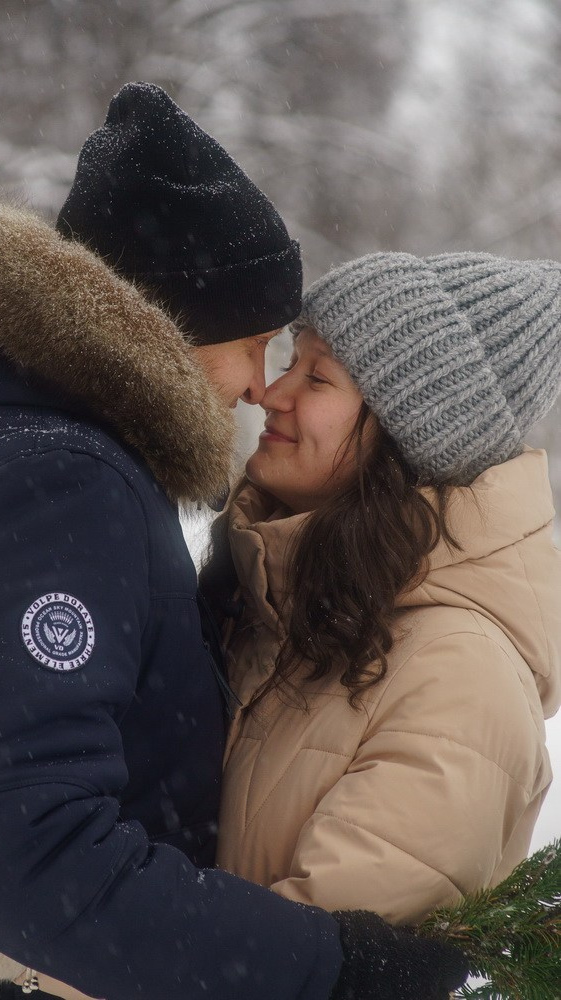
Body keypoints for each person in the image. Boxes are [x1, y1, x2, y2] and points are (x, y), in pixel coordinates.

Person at [0, 87, 468, 1000]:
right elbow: (27, 852)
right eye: (251, 344)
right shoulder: (48, 480)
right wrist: (331, 973)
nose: (254, 386)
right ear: (165, 329)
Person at [208, 252, 561, 926]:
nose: (272, 395)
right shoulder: (286, 599)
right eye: (290, 361)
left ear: (403, 440)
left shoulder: (458, 680)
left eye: (318, 378)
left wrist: (41, 941)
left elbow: (302, 962)